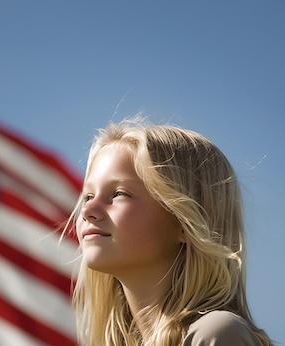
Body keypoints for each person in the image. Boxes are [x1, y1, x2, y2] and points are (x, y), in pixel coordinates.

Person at [65, 118, 274, 346]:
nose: (87, 210)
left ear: (186, 222)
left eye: (119, 193)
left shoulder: (214, 335)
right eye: (88, 196)